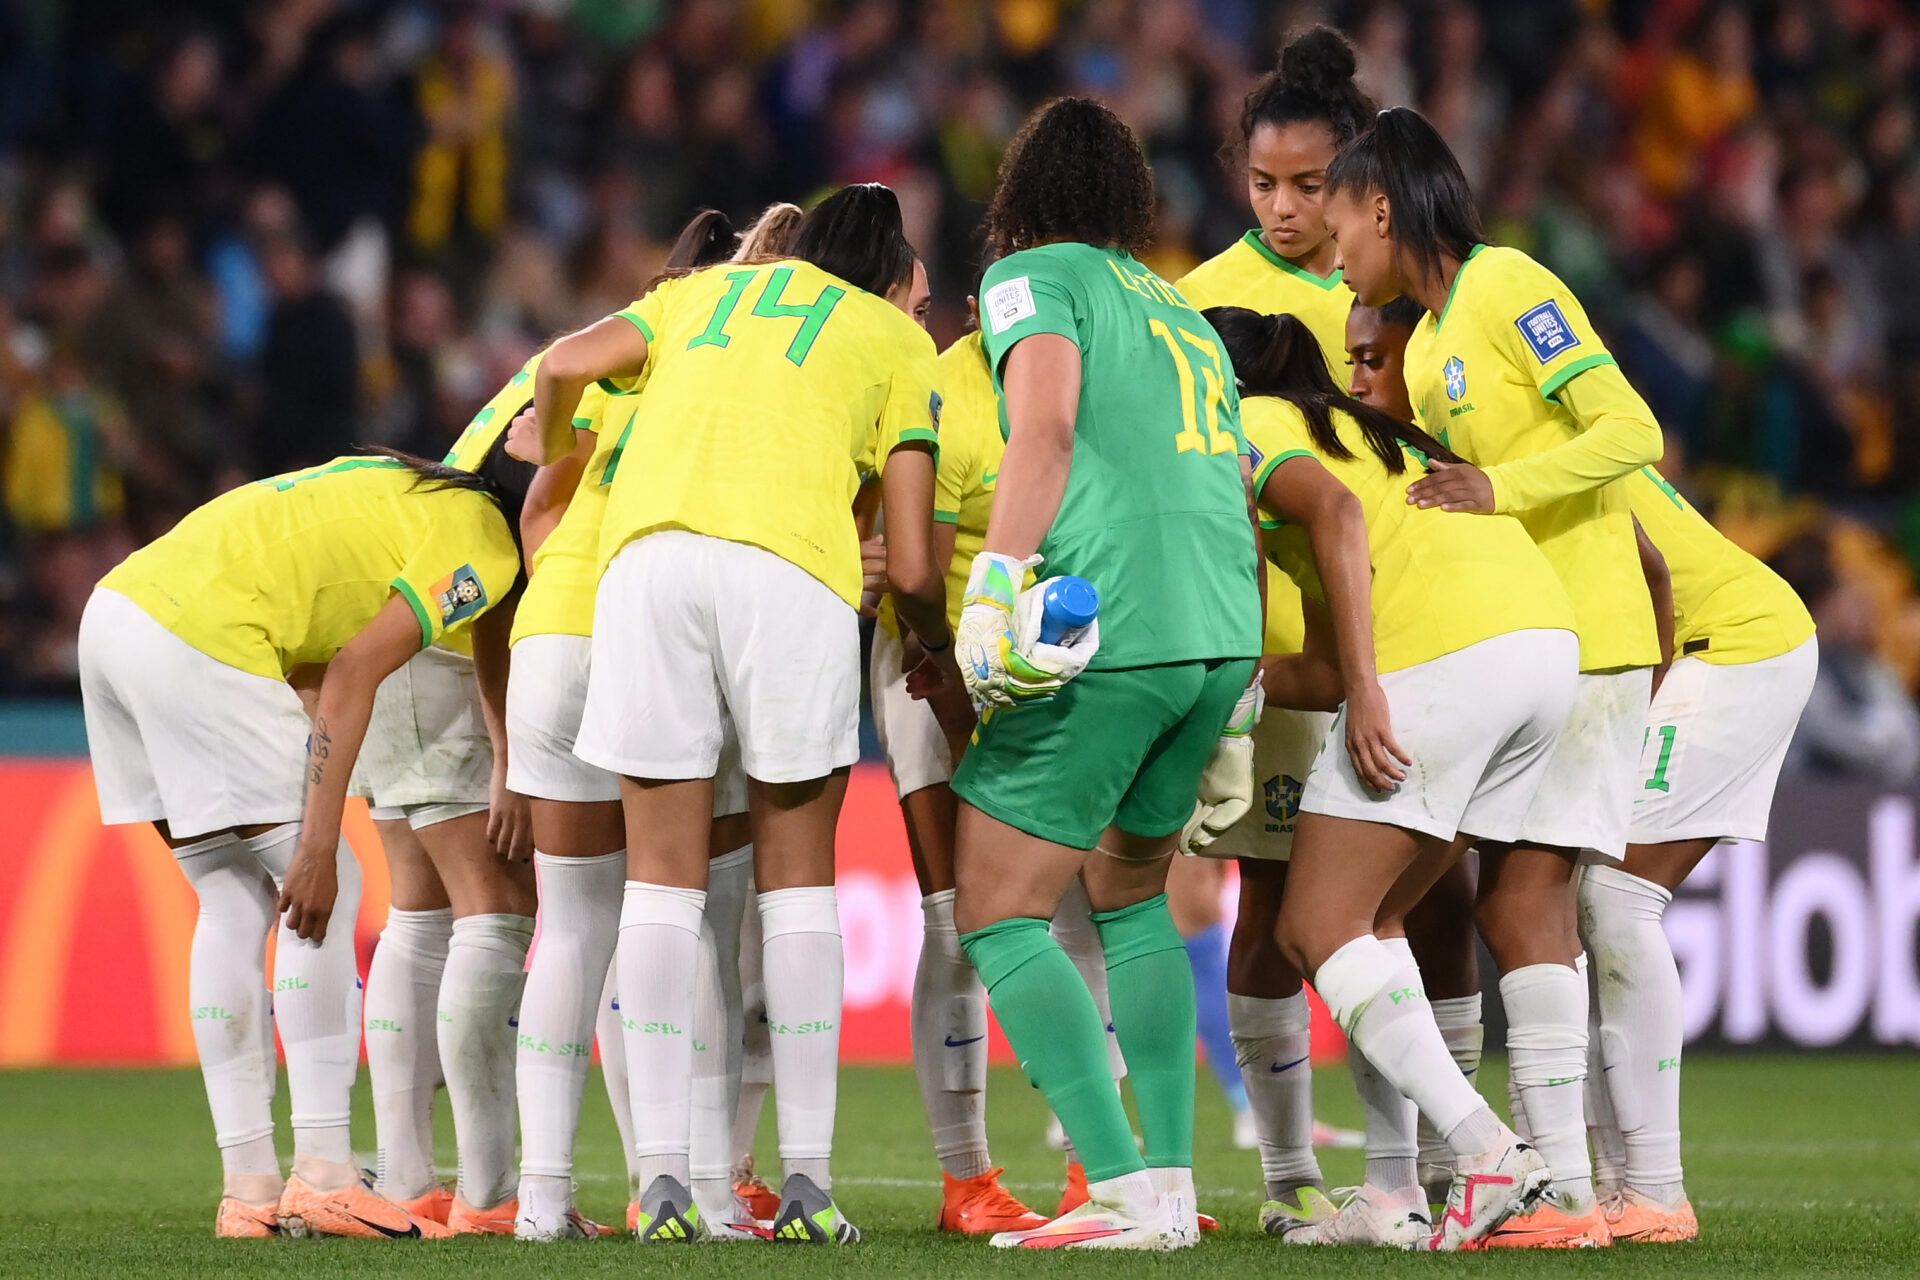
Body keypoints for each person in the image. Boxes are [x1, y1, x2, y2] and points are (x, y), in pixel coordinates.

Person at [509, 182, 948, 1245]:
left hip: (644, 568)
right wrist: (927, 635)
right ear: (892, 278)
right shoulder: (892, 339)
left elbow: (561, 363)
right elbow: (916, 552)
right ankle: (803, 1184)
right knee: (797, 884)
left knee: (659, 885)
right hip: (788, 571)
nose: (925, 313)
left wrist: (559, 444)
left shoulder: (703, 296)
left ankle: (659, 1182)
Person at [1325, 106, 1666, 1247]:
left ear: (1381, 205)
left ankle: (1562, 1189)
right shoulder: (1423, 345)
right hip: (1529, 638)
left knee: (1523, 903)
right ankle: (1527, 1180)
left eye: (1340, 222)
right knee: (1486, 900)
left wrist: (1501, 490)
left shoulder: (1512, 281)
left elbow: (1632, 429)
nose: (1335, 252)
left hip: (1596, 630)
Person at [946, 97, 1263, 1251]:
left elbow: (1046, 433)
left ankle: (1119, 1186)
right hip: (1221, 626)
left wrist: (992, 584)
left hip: (1117, 622)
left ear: (1019, 198)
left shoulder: (1034, 279)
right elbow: (1231, 478)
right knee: (1131, 897)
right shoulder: (1181, 308)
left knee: (993, 900)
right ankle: (1167, 1187)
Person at [78, 442, 529, 1240]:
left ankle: (249, 1190)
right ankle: (324, 1171)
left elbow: (318, 665)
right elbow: (357, 671)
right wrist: (317, 844)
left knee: (229, 896)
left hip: (117, 614)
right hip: (200, 634)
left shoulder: (394, 488)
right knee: (324, 884)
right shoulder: (486, 540)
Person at [1206, 305, 1579, 1251]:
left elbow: (1329, 519)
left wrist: (1372, 688)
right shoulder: (1366, 430)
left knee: (1312, 924)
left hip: (1444, 661)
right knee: (1371, 923)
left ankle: (1486, 1151)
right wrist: (1249, 688)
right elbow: (1322, 667)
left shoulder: (1247, 423)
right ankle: (1392, 1190)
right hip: (1539, 651)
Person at [500, 207, 755, 1243]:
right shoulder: (738, 388)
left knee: (571, 930)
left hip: (550, 627)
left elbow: (533, 515)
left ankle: (543, 1197)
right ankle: (701, 1184)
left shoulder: (613, 382)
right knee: (692, 919)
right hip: (655, 634)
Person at [1173, 25, 1374, 1232]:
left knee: (1411, 904)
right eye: (1264, 185)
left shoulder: (1383, 285)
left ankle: (1426, 1174)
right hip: (1268, 649)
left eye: (1310, 185)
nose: (1287, 209)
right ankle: (1293, 1179)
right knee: (1263, 902)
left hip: (1396, 633)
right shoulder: (1196, 303)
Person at [1580, 467, 1817, 1242]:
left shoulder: (1509, 442)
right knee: (1582, 896)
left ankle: (1654, 1192)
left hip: (1732, 643)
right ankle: (1608, 1186)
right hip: (1703, 643)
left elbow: (1646, 564)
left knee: (1614, 897)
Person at [861, 282, 1049, 1235]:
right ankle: (966, 1180)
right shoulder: (938, 389)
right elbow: (908, 558)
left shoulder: (1077, 377)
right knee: (954, 918)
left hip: (1055, 664)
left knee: (1087, 912)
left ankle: (1099, 1174)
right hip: (929, 661)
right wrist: (940, 653)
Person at [1342, 295, 1491, 1214]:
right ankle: (1440, 1168)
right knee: (1440, 909)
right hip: (1464, 693)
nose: (1358, 379)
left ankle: (1448, 1164)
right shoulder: (1368, 461)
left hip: (1448, 694)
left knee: (1351, 918)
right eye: (1350, 362)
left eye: (1374, 361)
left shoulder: (1461, 469)